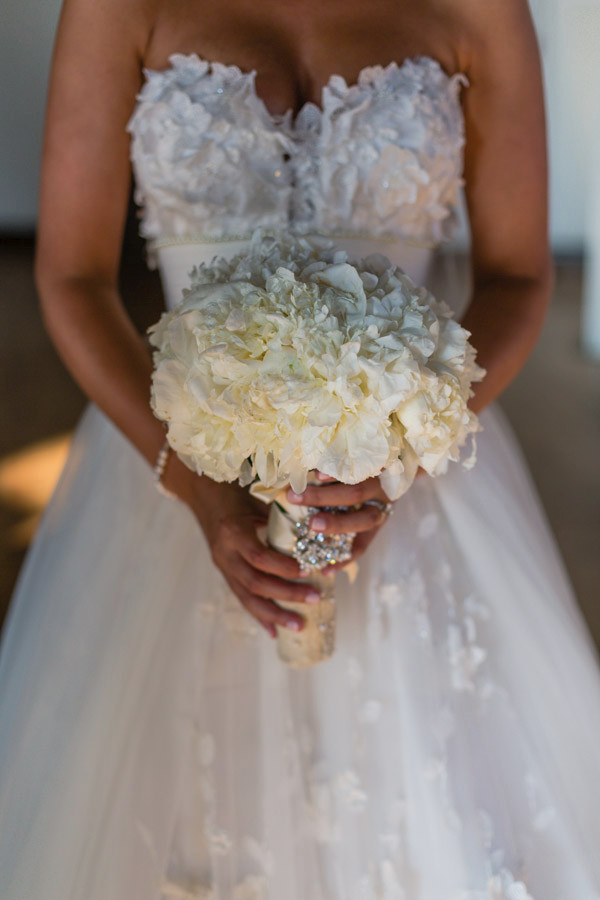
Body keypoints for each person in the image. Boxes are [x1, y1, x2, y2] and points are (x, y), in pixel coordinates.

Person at [1, 0, 600, 896]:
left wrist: (399, 448)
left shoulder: (481, 10)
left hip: (401, 473)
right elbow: (72, 276)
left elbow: (518, 275)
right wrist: (198, 487)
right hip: (173, 461)